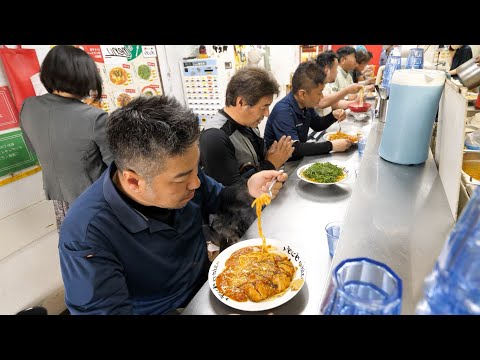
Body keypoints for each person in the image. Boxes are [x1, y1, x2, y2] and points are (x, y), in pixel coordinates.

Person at [58, 95, 288, 315]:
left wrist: (248, 189)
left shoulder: (187, 177)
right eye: (182, 178)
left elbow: (219, 198)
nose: (196, 183)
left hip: (207, 288)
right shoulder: (86, 234)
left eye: (196, 169)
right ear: (133, 181)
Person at [199, 67, 294, 251]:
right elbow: (231, 196)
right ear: (241, 102)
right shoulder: (215, 137)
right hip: (234, 230)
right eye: (263, 107)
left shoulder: (248, 125)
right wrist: (271, 163)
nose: (267, 114)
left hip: (255, 212)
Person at [20, 45, 112, 232]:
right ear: (86, 77)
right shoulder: (95, 117)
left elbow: (33, 147)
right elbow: (116, 166)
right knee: (101, 248)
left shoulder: (29, 106)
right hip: (95, 202)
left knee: (72, 246)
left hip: (59, 199)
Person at [264, 60, 352, 161]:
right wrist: (331, 145)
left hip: (299, 159)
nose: (322, 96)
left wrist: (333, 116)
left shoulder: (305, 104)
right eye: (319, 92)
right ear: (302, 94)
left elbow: (317, 124)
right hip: (283, 165)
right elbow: (295, 149)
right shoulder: (283, 111)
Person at [314, 51, 363, 116]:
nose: (337, 72)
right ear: (327, 70)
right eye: (336, 68)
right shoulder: (314, 85)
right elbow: (321, 102)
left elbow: (334, 104)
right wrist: (347, 90)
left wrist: (354, 103)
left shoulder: (327, 85)